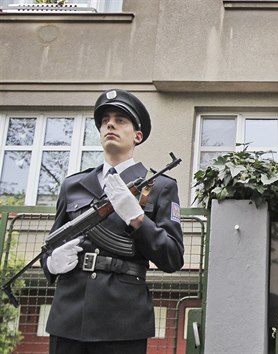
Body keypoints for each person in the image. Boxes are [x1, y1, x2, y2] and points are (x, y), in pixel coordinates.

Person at [42, 89, 185, 354]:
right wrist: (51, 263)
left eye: (121, 120)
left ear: (137, 136)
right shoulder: (73, 185)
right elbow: (50, 245)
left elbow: (173, 257)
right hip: (69, 317)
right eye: (105, 120)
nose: (110, 124)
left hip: (122, 320)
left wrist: (138, 219)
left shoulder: (160, 186)